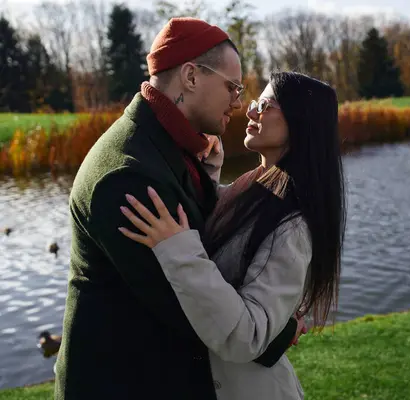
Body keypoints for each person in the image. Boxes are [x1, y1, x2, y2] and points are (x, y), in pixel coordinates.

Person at [54, 18, 297, 400]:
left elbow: (203, 244)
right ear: (191, 77)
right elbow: (185, 306)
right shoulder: (128, 177)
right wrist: (280, 329)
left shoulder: (172, 150)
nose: (238, 101)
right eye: (232, 87)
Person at [118, 71, 347, 399]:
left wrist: (177, 251)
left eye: (265, 104)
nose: (251, 111)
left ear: (302, 120)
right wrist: (207, 175)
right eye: (256, 102)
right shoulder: (260, 186)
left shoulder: (294, 226)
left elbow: (248, 335)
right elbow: (224, 243)